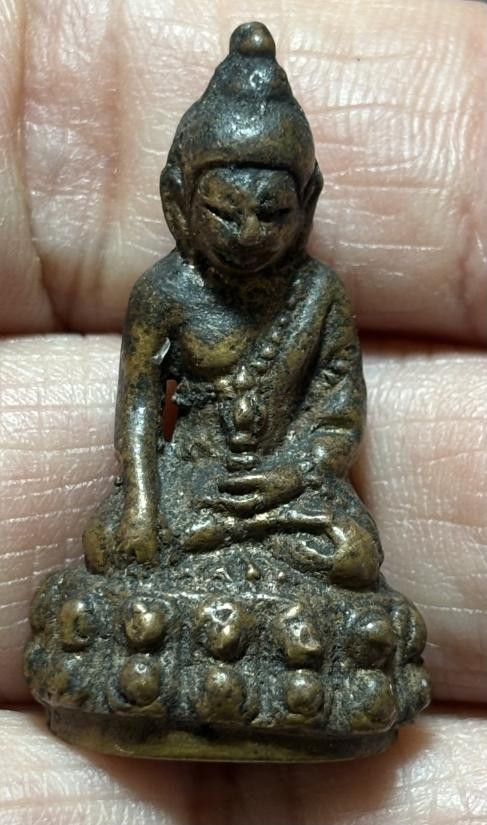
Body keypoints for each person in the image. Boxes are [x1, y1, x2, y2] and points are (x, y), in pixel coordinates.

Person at [0, 0, 486, 820]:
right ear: (178, 199)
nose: (249, 232)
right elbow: (138, 412)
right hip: (189, 481)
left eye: (272, 212)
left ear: (308, 202)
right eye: (226, 211)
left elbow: (336, 407)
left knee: (351, 553)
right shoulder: (165, 292)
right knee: (114, 545)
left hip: (287, 488)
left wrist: (292, 474)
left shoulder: (318, 295)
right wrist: (145, 501)